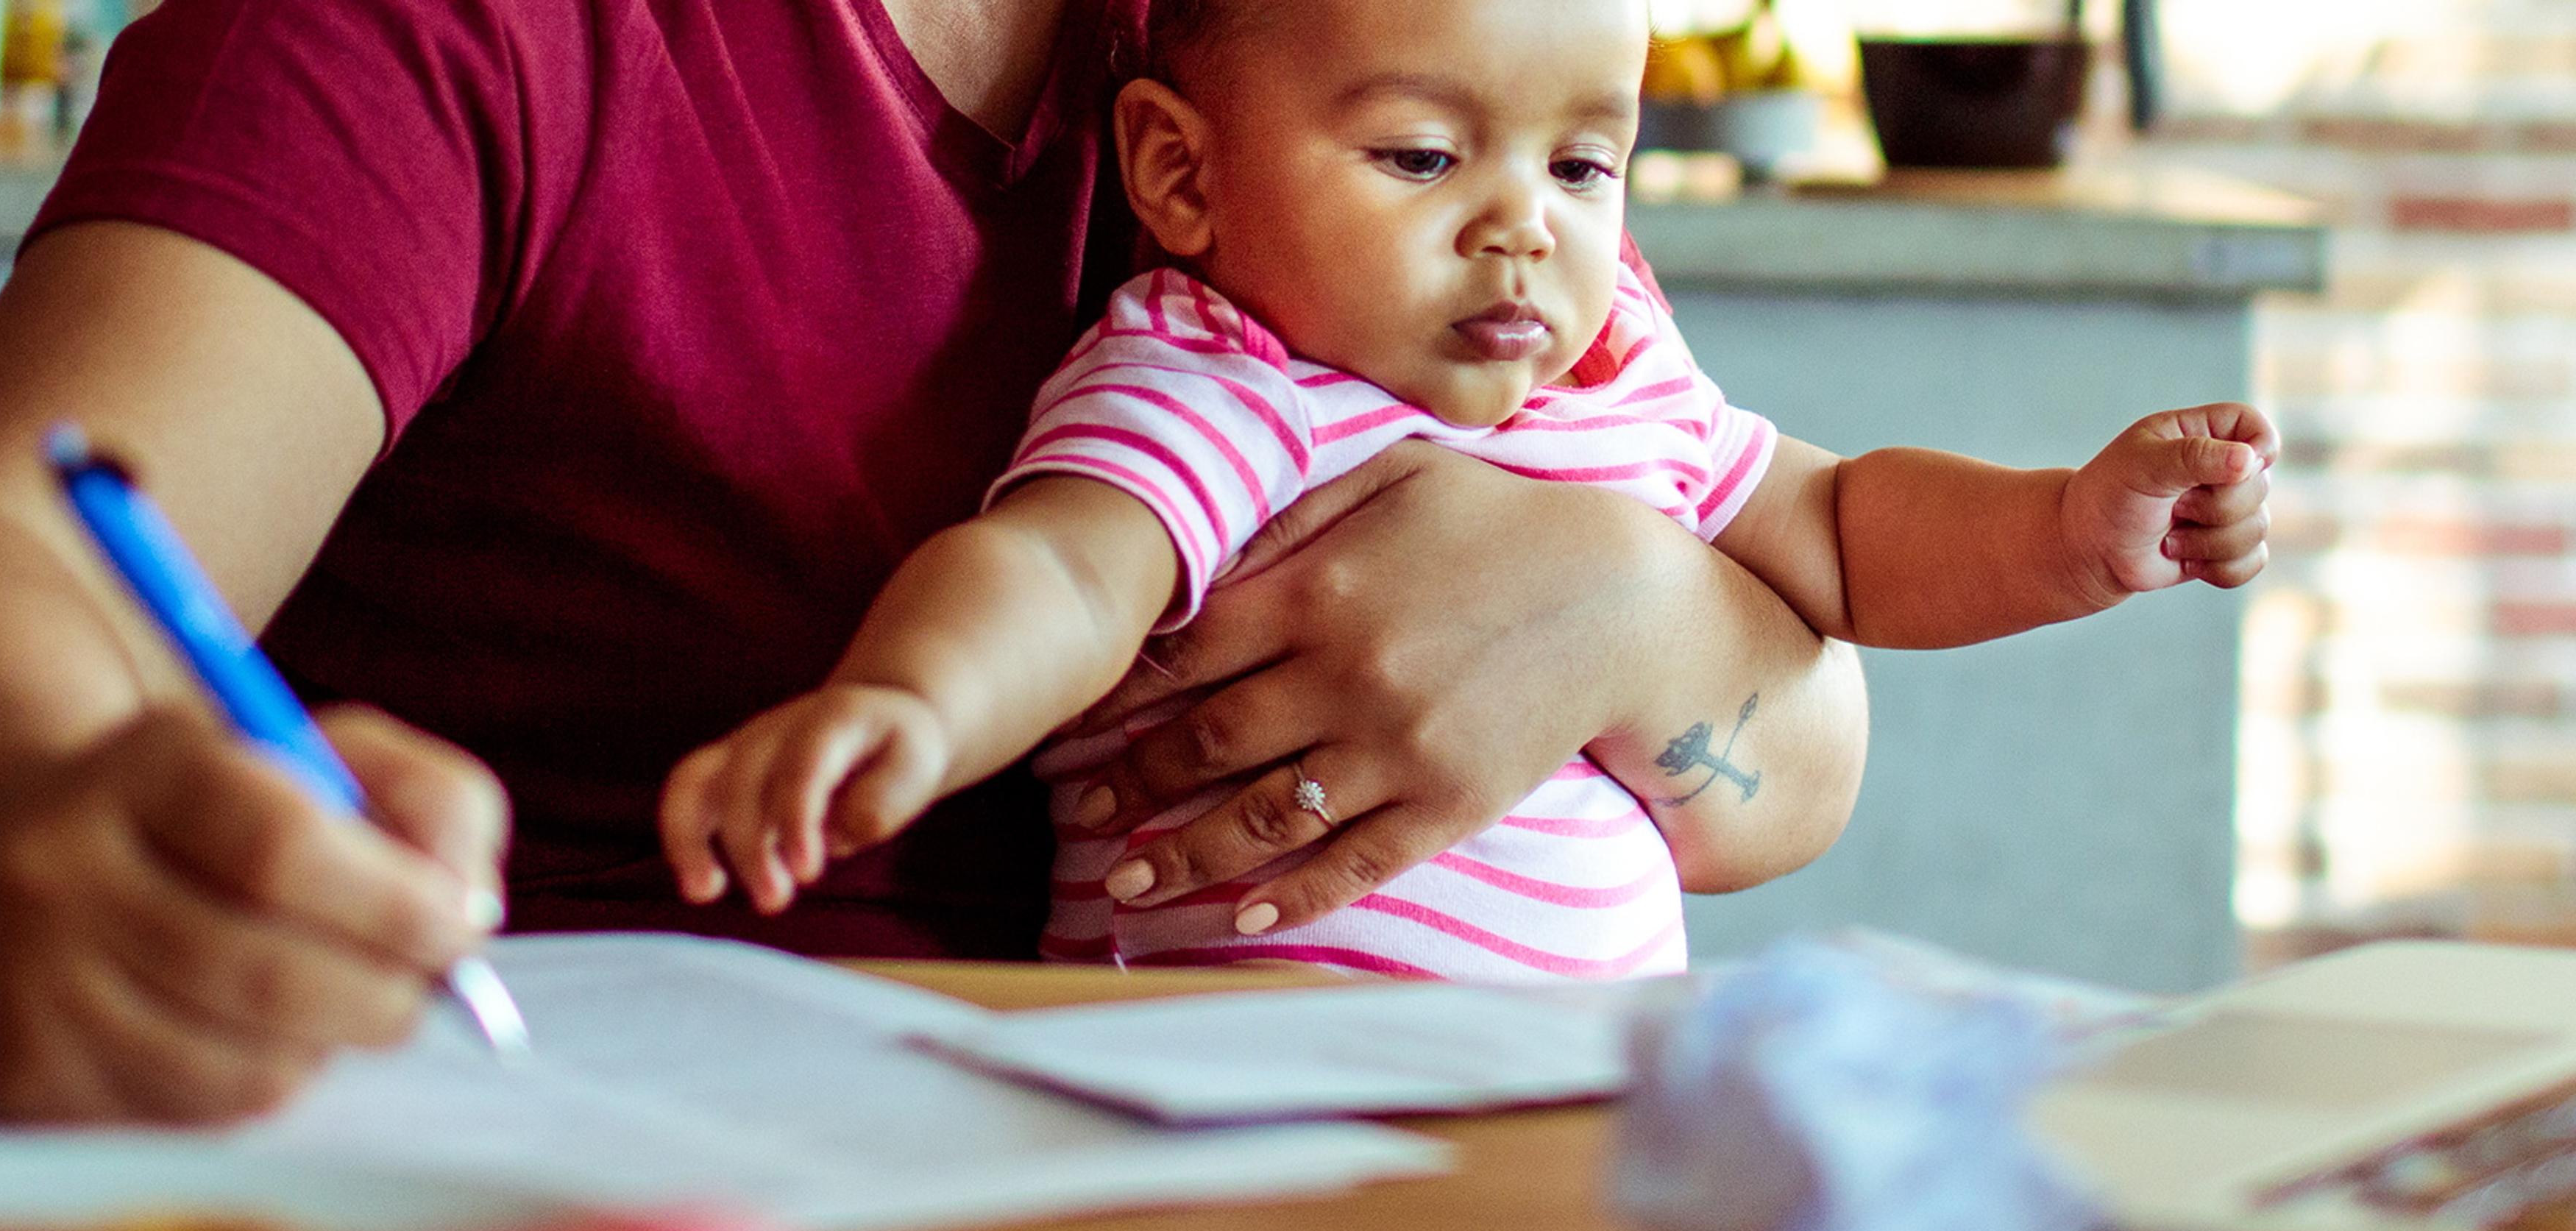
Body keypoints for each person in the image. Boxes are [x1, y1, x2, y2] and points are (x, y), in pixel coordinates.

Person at [0, 0, 1867, 1122]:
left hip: (1208, 1219)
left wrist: (1620, 604)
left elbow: (1803, 761)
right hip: (575, 1196)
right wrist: (21, 838)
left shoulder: (1350, 60)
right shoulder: (452, 37)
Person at [657, 0, 2275, 981]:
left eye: (1581, 166)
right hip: (1243, 1090)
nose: (1525, 228)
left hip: (1573, 1100)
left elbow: (1847, 533)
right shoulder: (1222, 373)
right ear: (1182, 176)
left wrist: (2069, 528)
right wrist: (909, 708)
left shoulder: (1617, 366)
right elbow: (1065, 575)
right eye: (1424, 157)